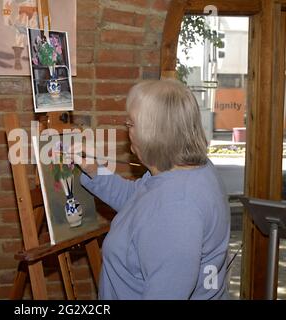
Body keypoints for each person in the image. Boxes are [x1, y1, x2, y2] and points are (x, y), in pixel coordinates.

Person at [75, 79, 230, 299]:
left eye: (131, 123)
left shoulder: (177, 209)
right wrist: (94, 172)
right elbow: (137, 200)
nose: (127, 129)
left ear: (153, 133)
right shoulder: (184, 171)